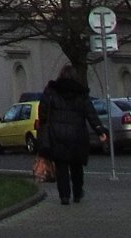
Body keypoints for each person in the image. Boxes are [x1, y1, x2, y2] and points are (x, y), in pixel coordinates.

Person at [35, 64, 106, 206]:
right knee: (76, 166)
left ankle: (64, 196)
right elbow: (90, 113)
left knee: (61, 166)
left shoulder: (51, 90)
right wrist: (100, 130)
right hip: (77, 134)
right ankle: (78, 193)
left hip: (57, 134)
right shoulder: (81, 93)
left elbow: (42, 110)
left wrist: (44, 124)